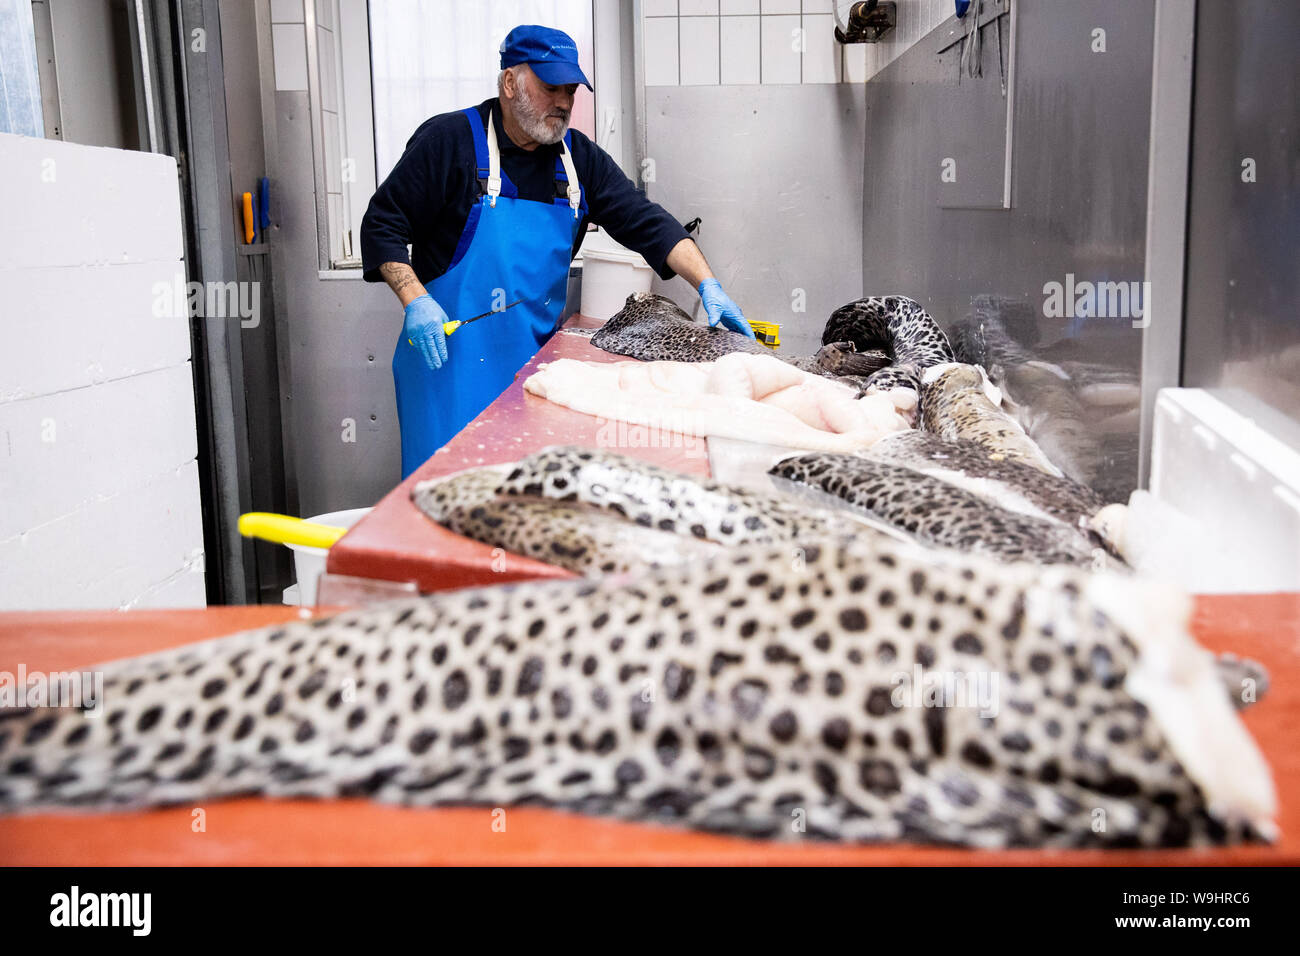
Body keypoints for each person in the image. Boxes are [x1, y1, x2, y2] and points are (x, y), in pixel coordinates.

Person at [360, 24, 753, 478]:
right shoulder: (449, 141)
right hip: (446, 369)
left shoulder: (578, 160)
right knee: (443, 504)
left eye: (570, 89)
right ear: (510, 82)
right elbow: (382, 224)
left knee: (521, 508)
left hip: (532, 374)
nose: (563, 102)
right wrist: (416, 300)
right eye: (550, 88)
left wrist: (708, 283)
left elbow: (646, 222)